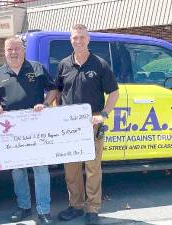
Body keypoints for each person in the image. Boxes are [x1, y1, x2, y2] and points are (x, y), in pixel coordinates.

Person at [0, 36, 57, 225]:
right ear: (5, 51)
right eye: (10, 49)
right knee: (18, 171)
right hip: (11, 131)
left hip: (36, 128)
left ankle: (44, 211)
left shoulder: (37, 68)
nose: (13, 52)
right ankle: (24, 207)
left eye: (17, 48)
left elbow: (53, 89)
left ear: (23, 50)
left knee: (41, 169)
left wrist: (45, 103)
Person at [56, 24, 119, 225]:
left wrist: (104, 114)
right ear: (71, 40)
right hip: (69, 124)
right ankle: (75, 206)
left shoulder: (100, 64)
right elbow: (57, 92)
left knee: (92, 168)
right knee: (71, 168)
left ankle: (92, 208)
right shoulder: (64, 64)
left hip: (92, 122)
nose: (78, 41)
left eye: (82, 37)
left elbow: (114, 93)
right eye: (75, 38)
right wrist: (57, 115)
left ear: (88, 40)